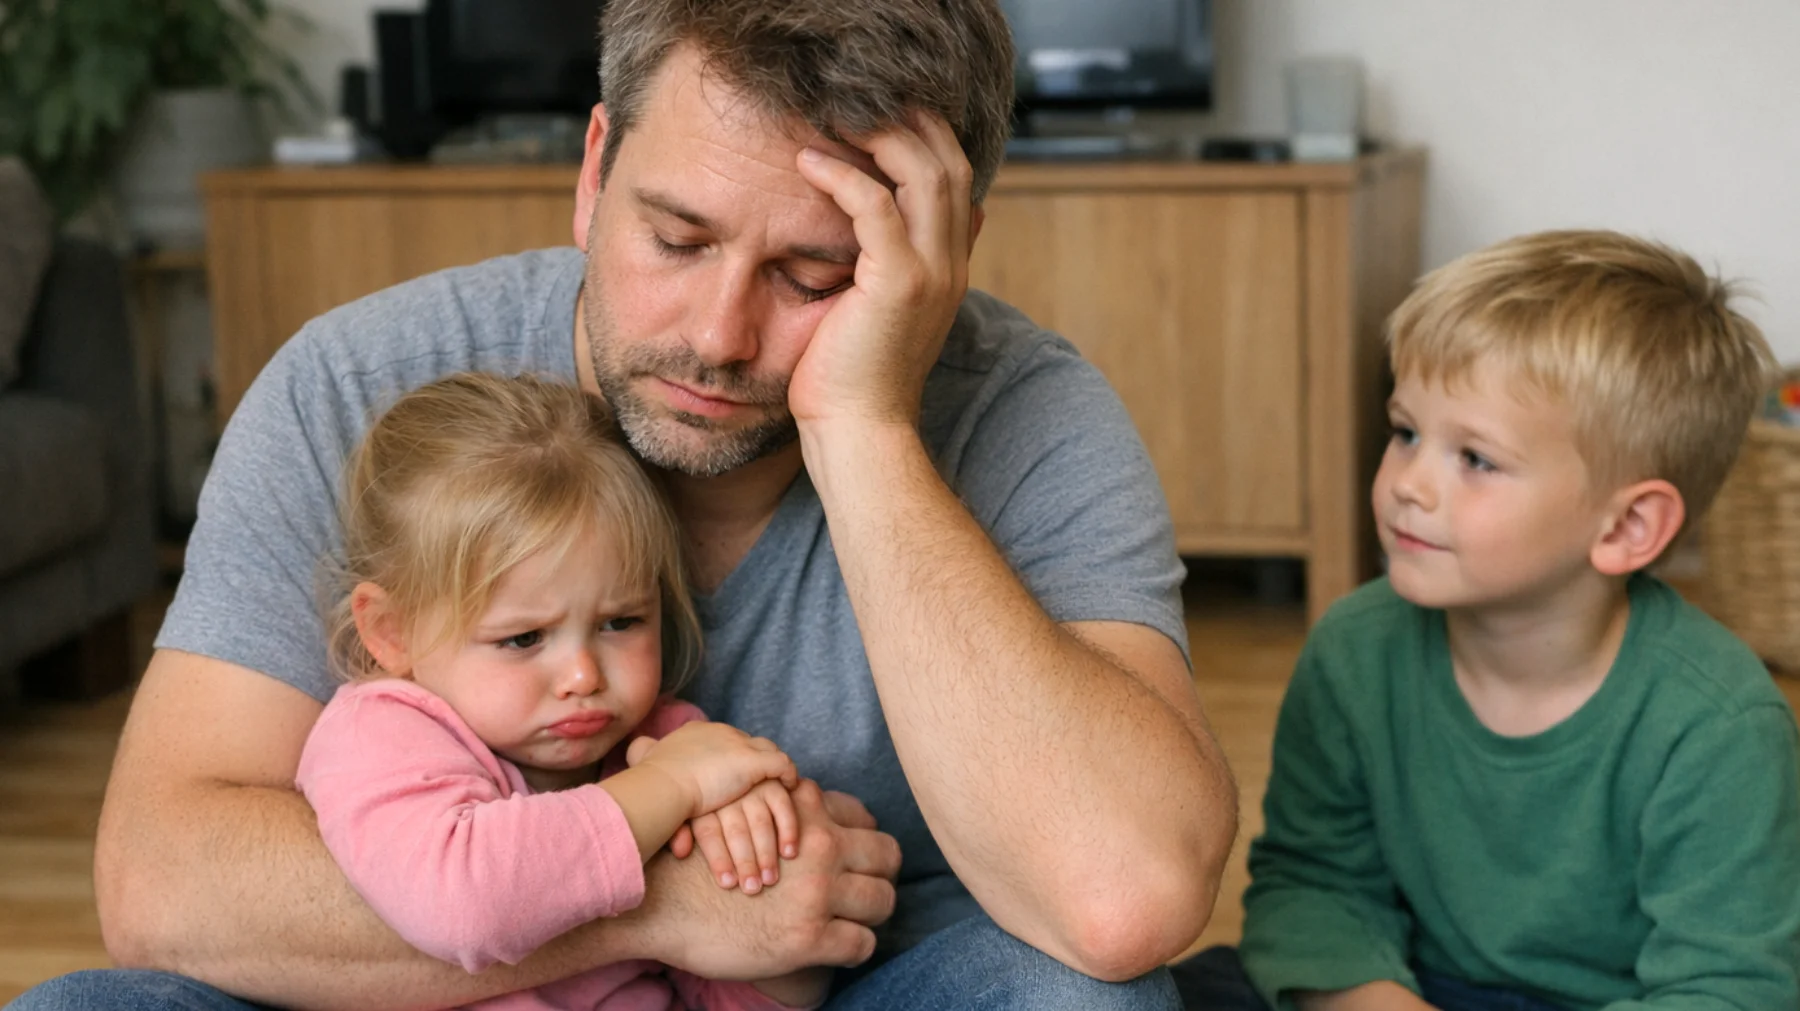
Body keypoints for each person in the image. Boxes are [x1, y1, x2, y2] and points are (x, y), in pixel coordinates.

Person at [15, 0, 1237, 1008]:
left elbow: (1123, 898)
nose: (720, 337)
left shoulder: (1027, 414)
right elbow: (164, 882)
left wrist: (864, 427)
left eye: (816, 275)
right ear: (596, 170)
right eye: (677, 239)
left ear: (943, 252)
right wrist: (661, 907)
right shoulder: (359, 384)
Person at [1174, 230, 1800, 1011]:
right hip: (1400, 983)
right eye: (1406, 432)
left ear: (1626, 528)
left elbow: (1728, 986)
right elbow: (1314, 885)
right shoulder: (1353, 648)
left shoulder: (1720, 724)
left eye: (1476, 458)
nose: (1410, 484)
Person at [296, 371, 826, 1010]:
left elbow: (727, 982)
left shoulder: (666, 742)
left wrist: (783, 939)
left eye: (621, 622)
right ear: (392, 632)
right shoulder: (380, 731)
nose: (583, 677)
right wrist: (673, 788)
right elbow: (463, 904)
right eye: (523, 639)